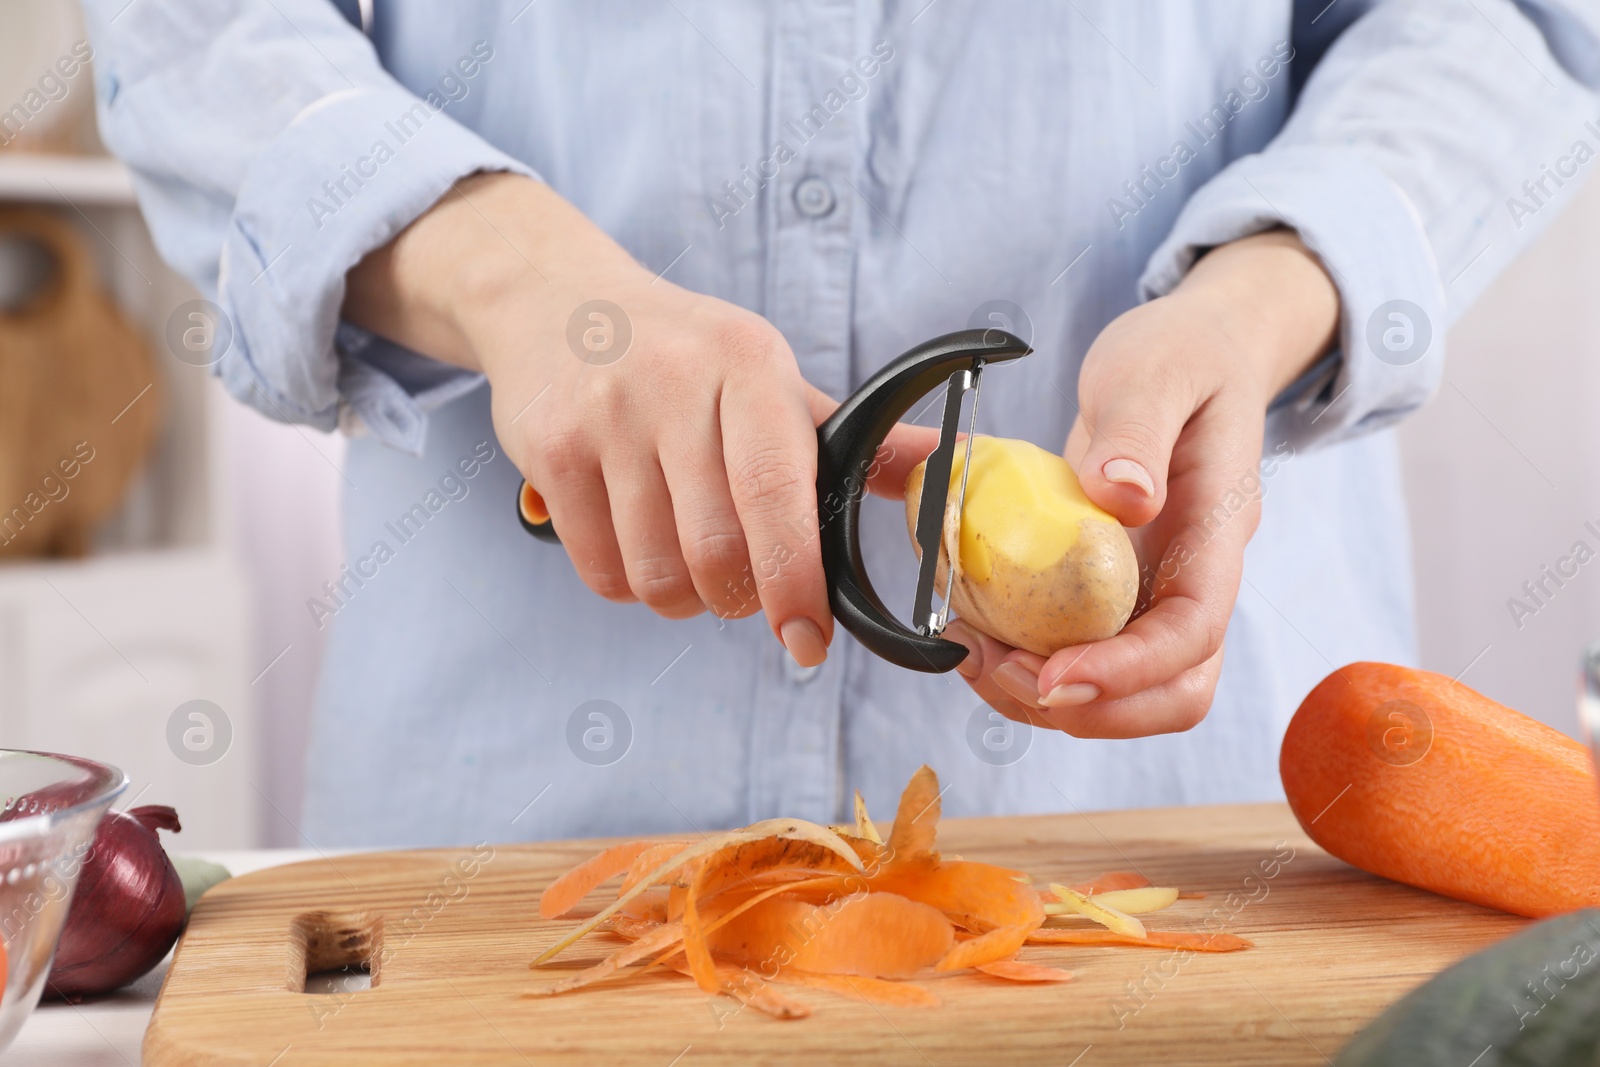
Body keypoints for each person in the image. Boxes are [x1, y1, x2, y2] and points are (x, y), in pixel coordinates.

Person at [83, 0, 1600, 846]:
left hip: (1164, 817)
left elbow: (1511, 24)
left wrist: (1268, 292)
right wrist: (504, 270)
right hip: (512, 812)